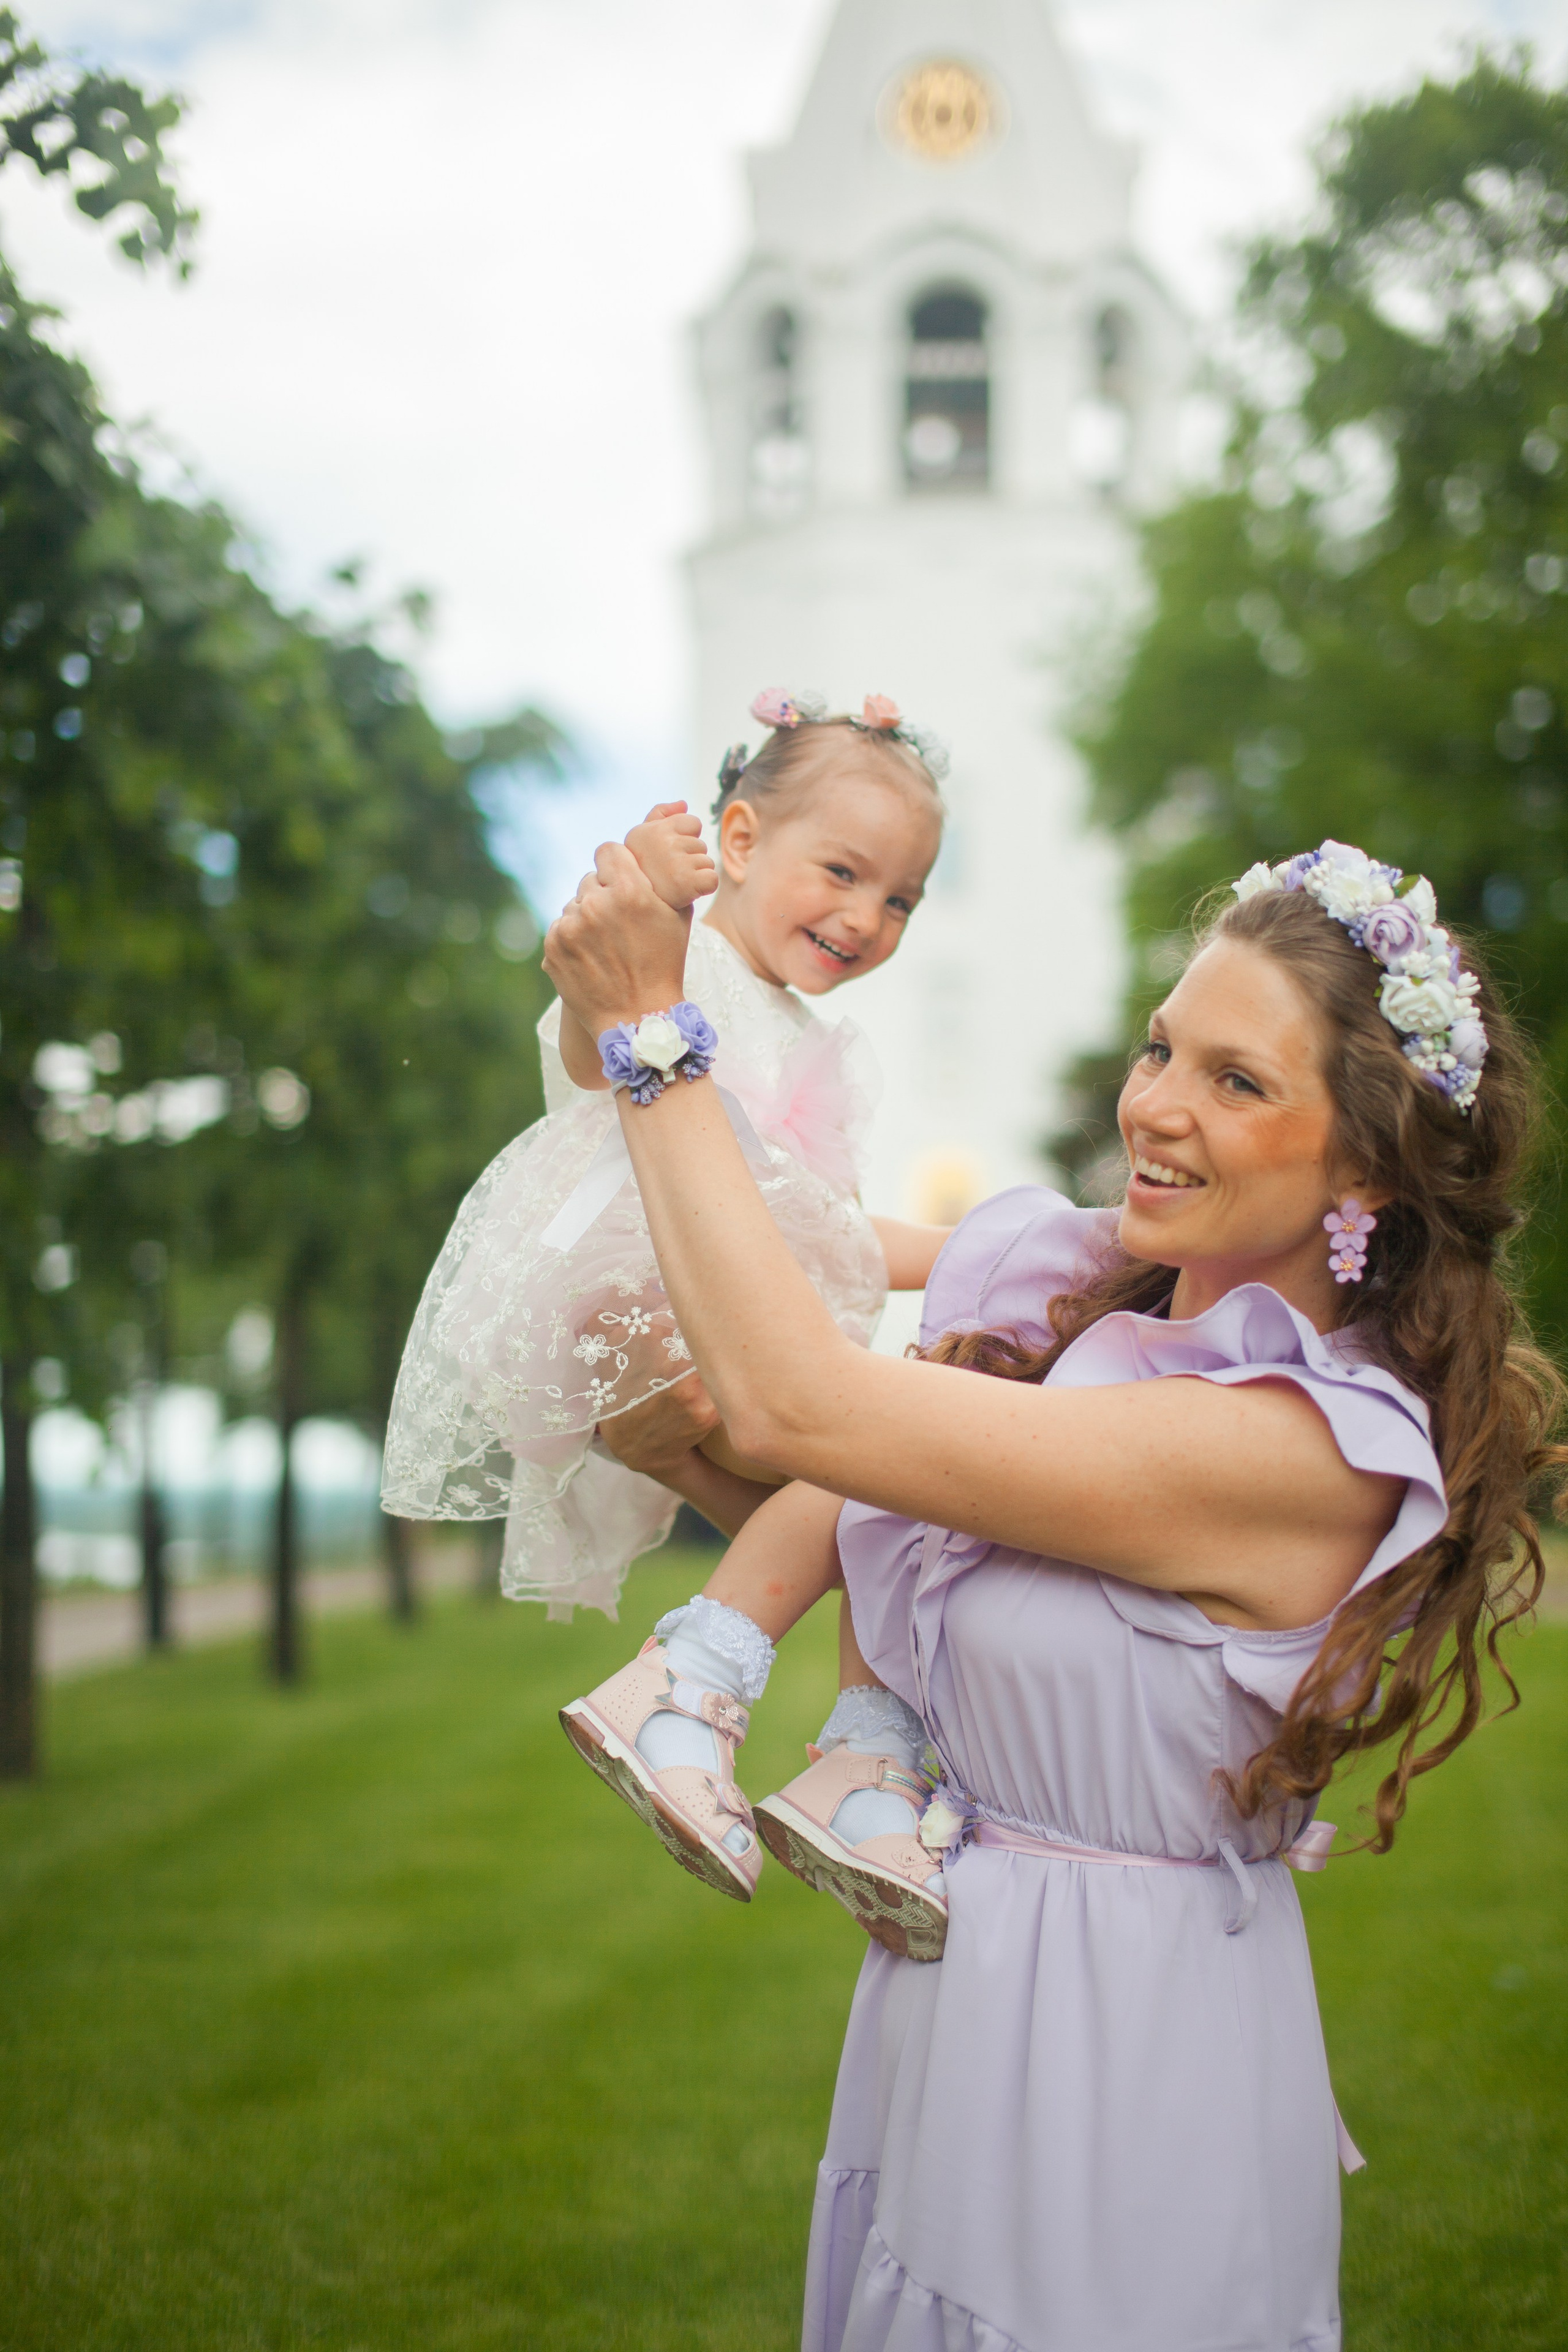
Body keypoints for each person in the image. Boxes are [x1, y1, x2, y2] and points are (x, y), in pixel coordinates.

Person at [545, 834, 1564, 2352]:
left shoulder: (1298, 1448)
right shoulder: (1112, 1336)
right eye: (1162, 1047)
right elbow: (912, 1563)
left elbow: (804, 1405)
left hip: (1122, 2063)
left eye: (1235, 1081)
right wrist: (693, 1469)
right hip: (958, 2015)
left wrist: (651, 1037)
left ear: (1361, 1162)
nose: (1152, 1104)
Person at [380, 688, 951, 1618]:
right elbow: (586, 1048)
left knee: (845, 1508)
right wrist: (644, 889)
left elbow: (818, 1227)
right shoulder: (685, 952)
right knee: (851, 1478)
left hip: (723, 1302)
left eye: (899, 900)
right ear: (738, 842)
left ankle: (725, 1667)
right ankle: (720, 1668)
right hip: (637, 1292)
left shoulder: (805, 1033)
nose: (865, 917)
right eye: (842, 872)